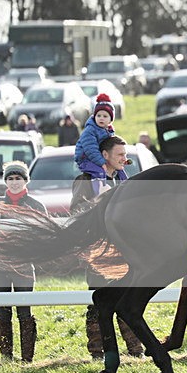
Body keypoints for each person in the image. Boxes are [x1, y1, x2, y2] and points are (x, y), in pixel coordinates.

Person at [70, 135, 143, 358]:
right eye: (120, 154)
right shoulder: (86, 180)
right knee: (98, 298)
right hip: (98, 249)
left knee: (127, 296)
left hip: (124, 249)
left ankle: (135, 349)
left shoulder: (123, 180)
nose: (124, 158)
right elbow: (77, 211)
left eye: (125, 154)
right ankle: (97, 350)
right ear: (104, 155)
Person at [0, 161, 48, 362]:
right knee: (2, 311)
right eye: (10, 178)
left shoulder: (36, 205)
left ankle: (27, 358)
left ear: (25, 180)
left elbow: (44, 236)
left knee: (25, 311)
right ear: (5, 181)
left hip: (23, 265)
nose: (14, 182)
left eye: (18, 178)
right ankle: (6, 356)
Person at [74, 93, 117, 183]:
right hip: (86, 159)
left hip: (99, 158)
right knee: (100, 172)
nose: (101, 118)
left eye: (105, 116)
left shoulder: (109, 131)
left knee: (119, 171)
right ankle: (100, 190)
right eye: (98, 115)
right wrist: (102, 163)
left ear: (110, 120)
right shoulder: (90, 130)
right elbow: (91, 149)